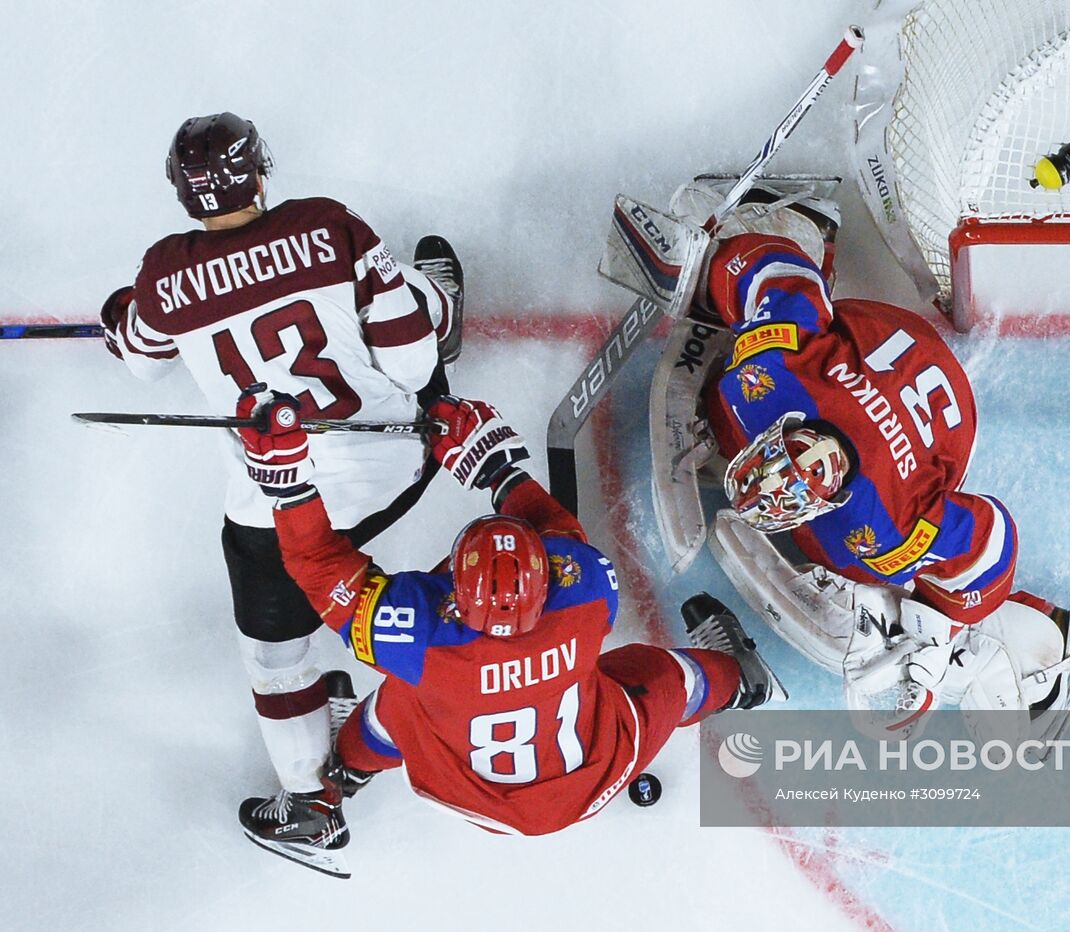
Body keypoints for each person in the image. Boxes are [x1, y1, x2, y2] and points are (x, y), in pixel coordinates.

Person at [232, 389, 784, 875]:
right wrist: (502, 474)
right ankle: (743, 681)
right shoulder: (584, 590)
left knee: (403, 702)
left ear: (452, 592)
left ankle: (334, 789)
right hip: (597, 766)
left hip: (480, 795)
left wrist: (288, 485)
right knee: (666, 677)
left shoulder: (420, 639)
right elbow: (560, 530)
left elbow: (319, 565)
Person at [100, 112, 465, 813]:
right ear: (261, 170)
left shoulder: (163, 273)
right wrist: (415, 320)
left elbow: (141, 360)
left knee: (273, 658)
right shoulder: (328, 225)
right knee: (415, 318)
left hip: (277, 506)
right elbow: (414, 362)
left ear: (181, 190)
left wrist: (127, 311)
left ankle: (308, 802)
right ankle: (438, 298)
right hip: (399, 462)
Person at [684, 190, 1070, 732]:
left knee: (874, 577)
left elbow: (990, 541)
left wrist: (937, 627)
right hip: (880, 367)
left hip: (929, 408)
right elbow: (776, 278)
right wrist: (716, 261)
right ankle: (974, 637)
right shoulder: (771, 379)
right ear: (776, 433)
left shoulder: (885, 522)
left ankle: (1006, 637)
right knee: (730, 405)